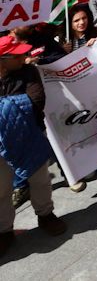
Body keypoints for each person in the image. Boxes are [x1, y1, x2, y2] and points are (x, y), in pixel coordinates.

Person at [0, 39, 65, 254]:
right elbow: (25, 103)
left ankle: (45, 215)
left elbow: (36, 101)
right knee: (2, 188)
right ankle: (4, 230)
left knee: (40, 180)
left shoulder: (29, 72)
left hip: (30, 137)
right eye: (16, 55)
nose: (23, 58)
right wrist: (13, 106)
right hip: (1, 146)